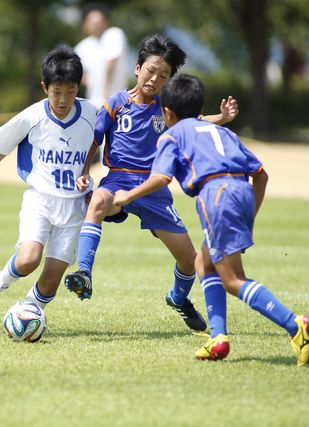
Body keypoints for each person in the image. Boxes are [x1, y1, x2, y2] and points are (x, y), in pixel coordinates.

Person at [113, 73, 309, 366]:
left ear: (167, 112)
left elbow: (161, 178)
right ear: (199, 109)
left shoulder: (172, 135)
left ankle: (295, 325)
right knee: (203, 263)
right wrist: (249, 214)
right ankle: (218, 339)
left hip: (216, 196)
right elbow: (261, 175)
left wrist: (127, 195)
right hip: (242, 192)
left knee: (233, 280)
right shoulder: (224, 133)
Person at [64, 34, 239, 333]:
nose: (155, 79)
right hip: (118, 180)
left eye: (164, 76)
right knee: (98, 201)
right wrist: (84, 172)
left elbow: (194, 122)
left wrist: (221, 118)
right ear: (137, 68)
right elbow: (94, 140)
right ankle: (84, 273)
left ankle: (178, 298)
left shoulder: (167, 108)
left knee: (190, 261)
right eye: (151, 71)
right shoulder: (115, 104)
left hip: (153, 188)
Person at [0, 46, 96, 314]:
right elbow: (1, 145)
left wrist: (86, 171)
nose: (63, 100)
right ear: (45, 87)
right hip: (40, 201)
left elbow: (99, 140)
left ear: (79, 87)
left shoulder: (92, 113)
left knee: (52, 279)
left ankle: (26, 313)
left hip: (75, 206)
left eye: (70, 92)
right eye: (57, 92)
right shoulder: (32, 116)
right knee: (28, 260)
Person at [74, 3, 131, 110]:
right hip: (94, 102)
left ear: (106, 22)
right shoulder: (81, 47)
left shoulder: (114, 34)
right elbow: (74, 71)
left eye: (99, 21)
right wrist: (91, 82)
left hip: (118, 100)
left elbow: (111, 61)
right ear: (85, 24)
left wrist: (106, 89)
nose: (97, 24)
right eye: (93, 22)